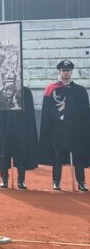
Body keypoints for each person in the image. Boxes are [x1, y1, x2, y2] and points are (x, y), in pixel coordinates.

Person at [38, 60, 90, 191]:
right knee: (57, 156)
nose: (65, 73)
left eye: (68, 71)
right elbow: (47, 110)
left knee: (77, 156)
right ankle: (56, 181)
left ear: (71, 72)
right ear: (59, 72)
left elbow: (85, 112)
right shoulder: (51, 89)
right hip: (58, 130)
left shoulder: (80, 90)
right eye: (63, 71)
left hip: (75, 131)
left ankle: (81, 182)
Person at [0, 86, 38, 189]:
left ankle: (21, 180)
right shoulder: (2, 94)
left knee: (20, 155)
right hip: (5, 129)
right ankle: (4, 179)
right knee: (4, 155)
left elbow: (29, 113)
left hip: (20, 129)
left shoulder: (25, 91)